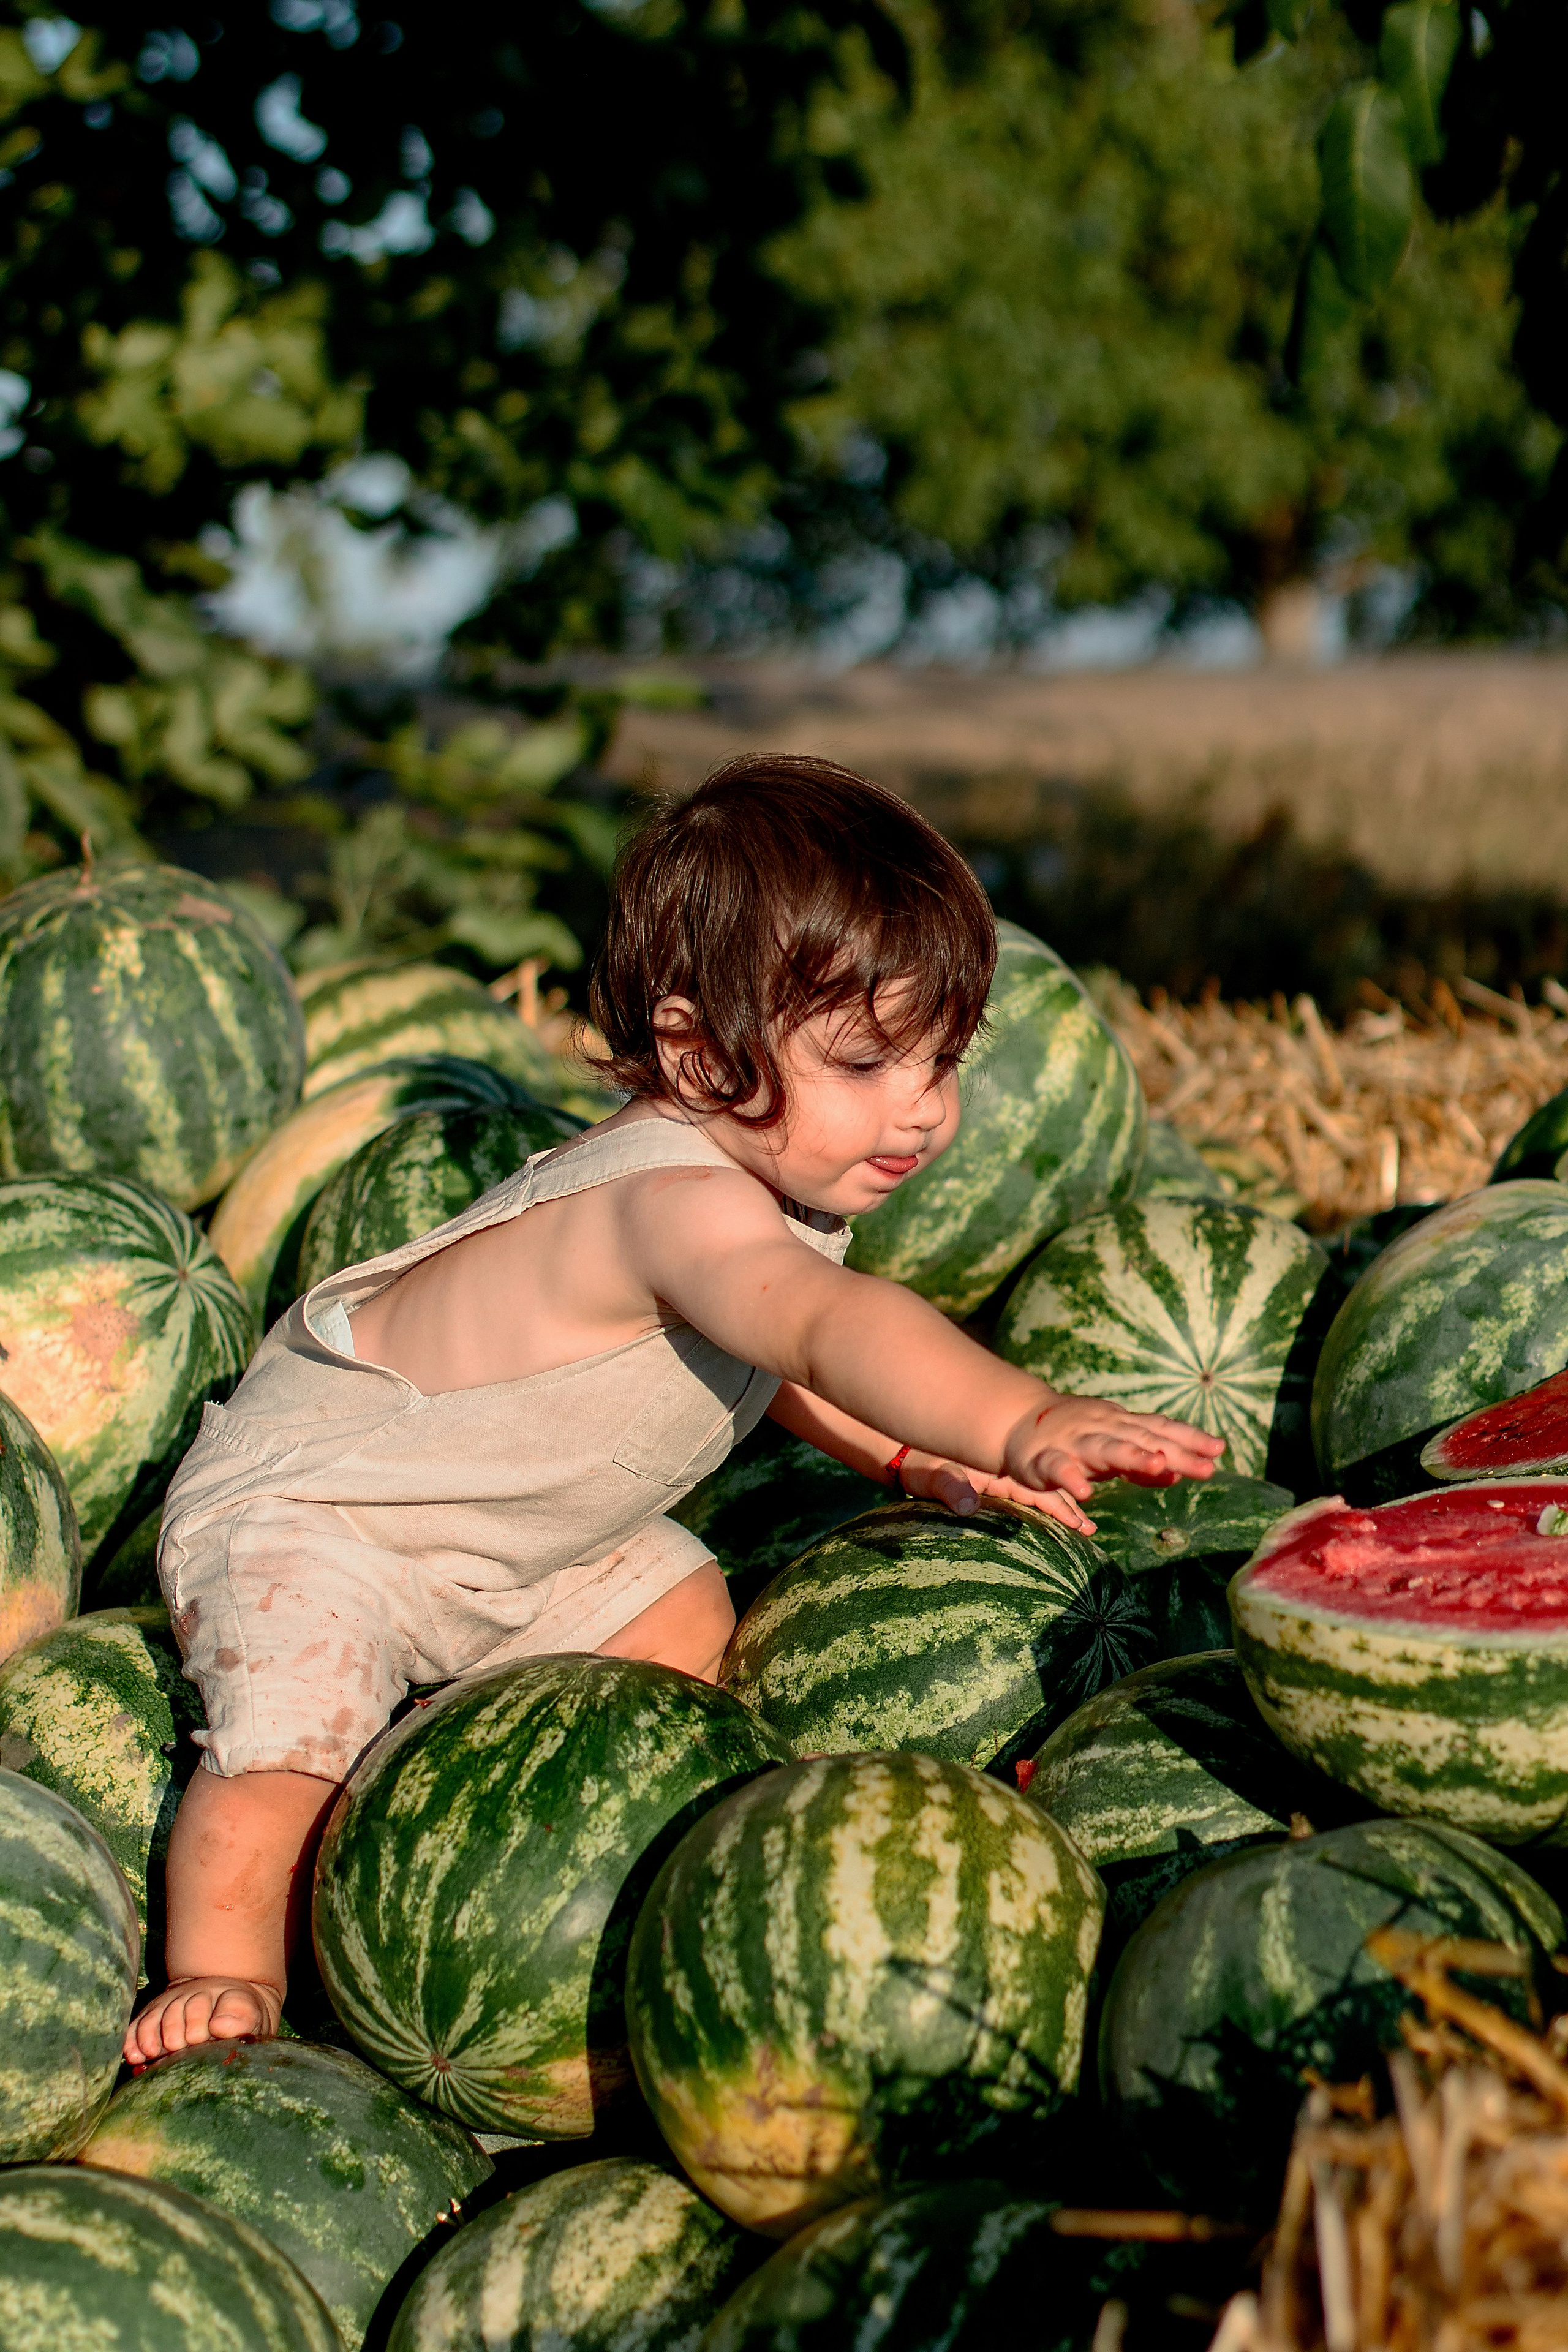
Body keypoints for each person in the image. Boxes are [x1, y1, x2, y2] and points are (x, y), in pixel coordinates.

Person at [126, 753, 1222, 2064]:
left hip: (497, 1540)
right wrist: (1018, 1416)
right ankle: (224, 1977)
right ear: (698, 1053)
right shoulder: (677, 1202)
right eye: (868, 1062)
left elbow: (788, 1367)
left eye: (941, 1059)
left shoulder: (766, 1201)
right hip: (325, 1518)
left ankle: (459, 1773)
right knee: (284, 1752)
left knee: (684, 1605)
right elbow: (827, 1328)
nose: (922, 1111)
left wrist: (903, 1456)